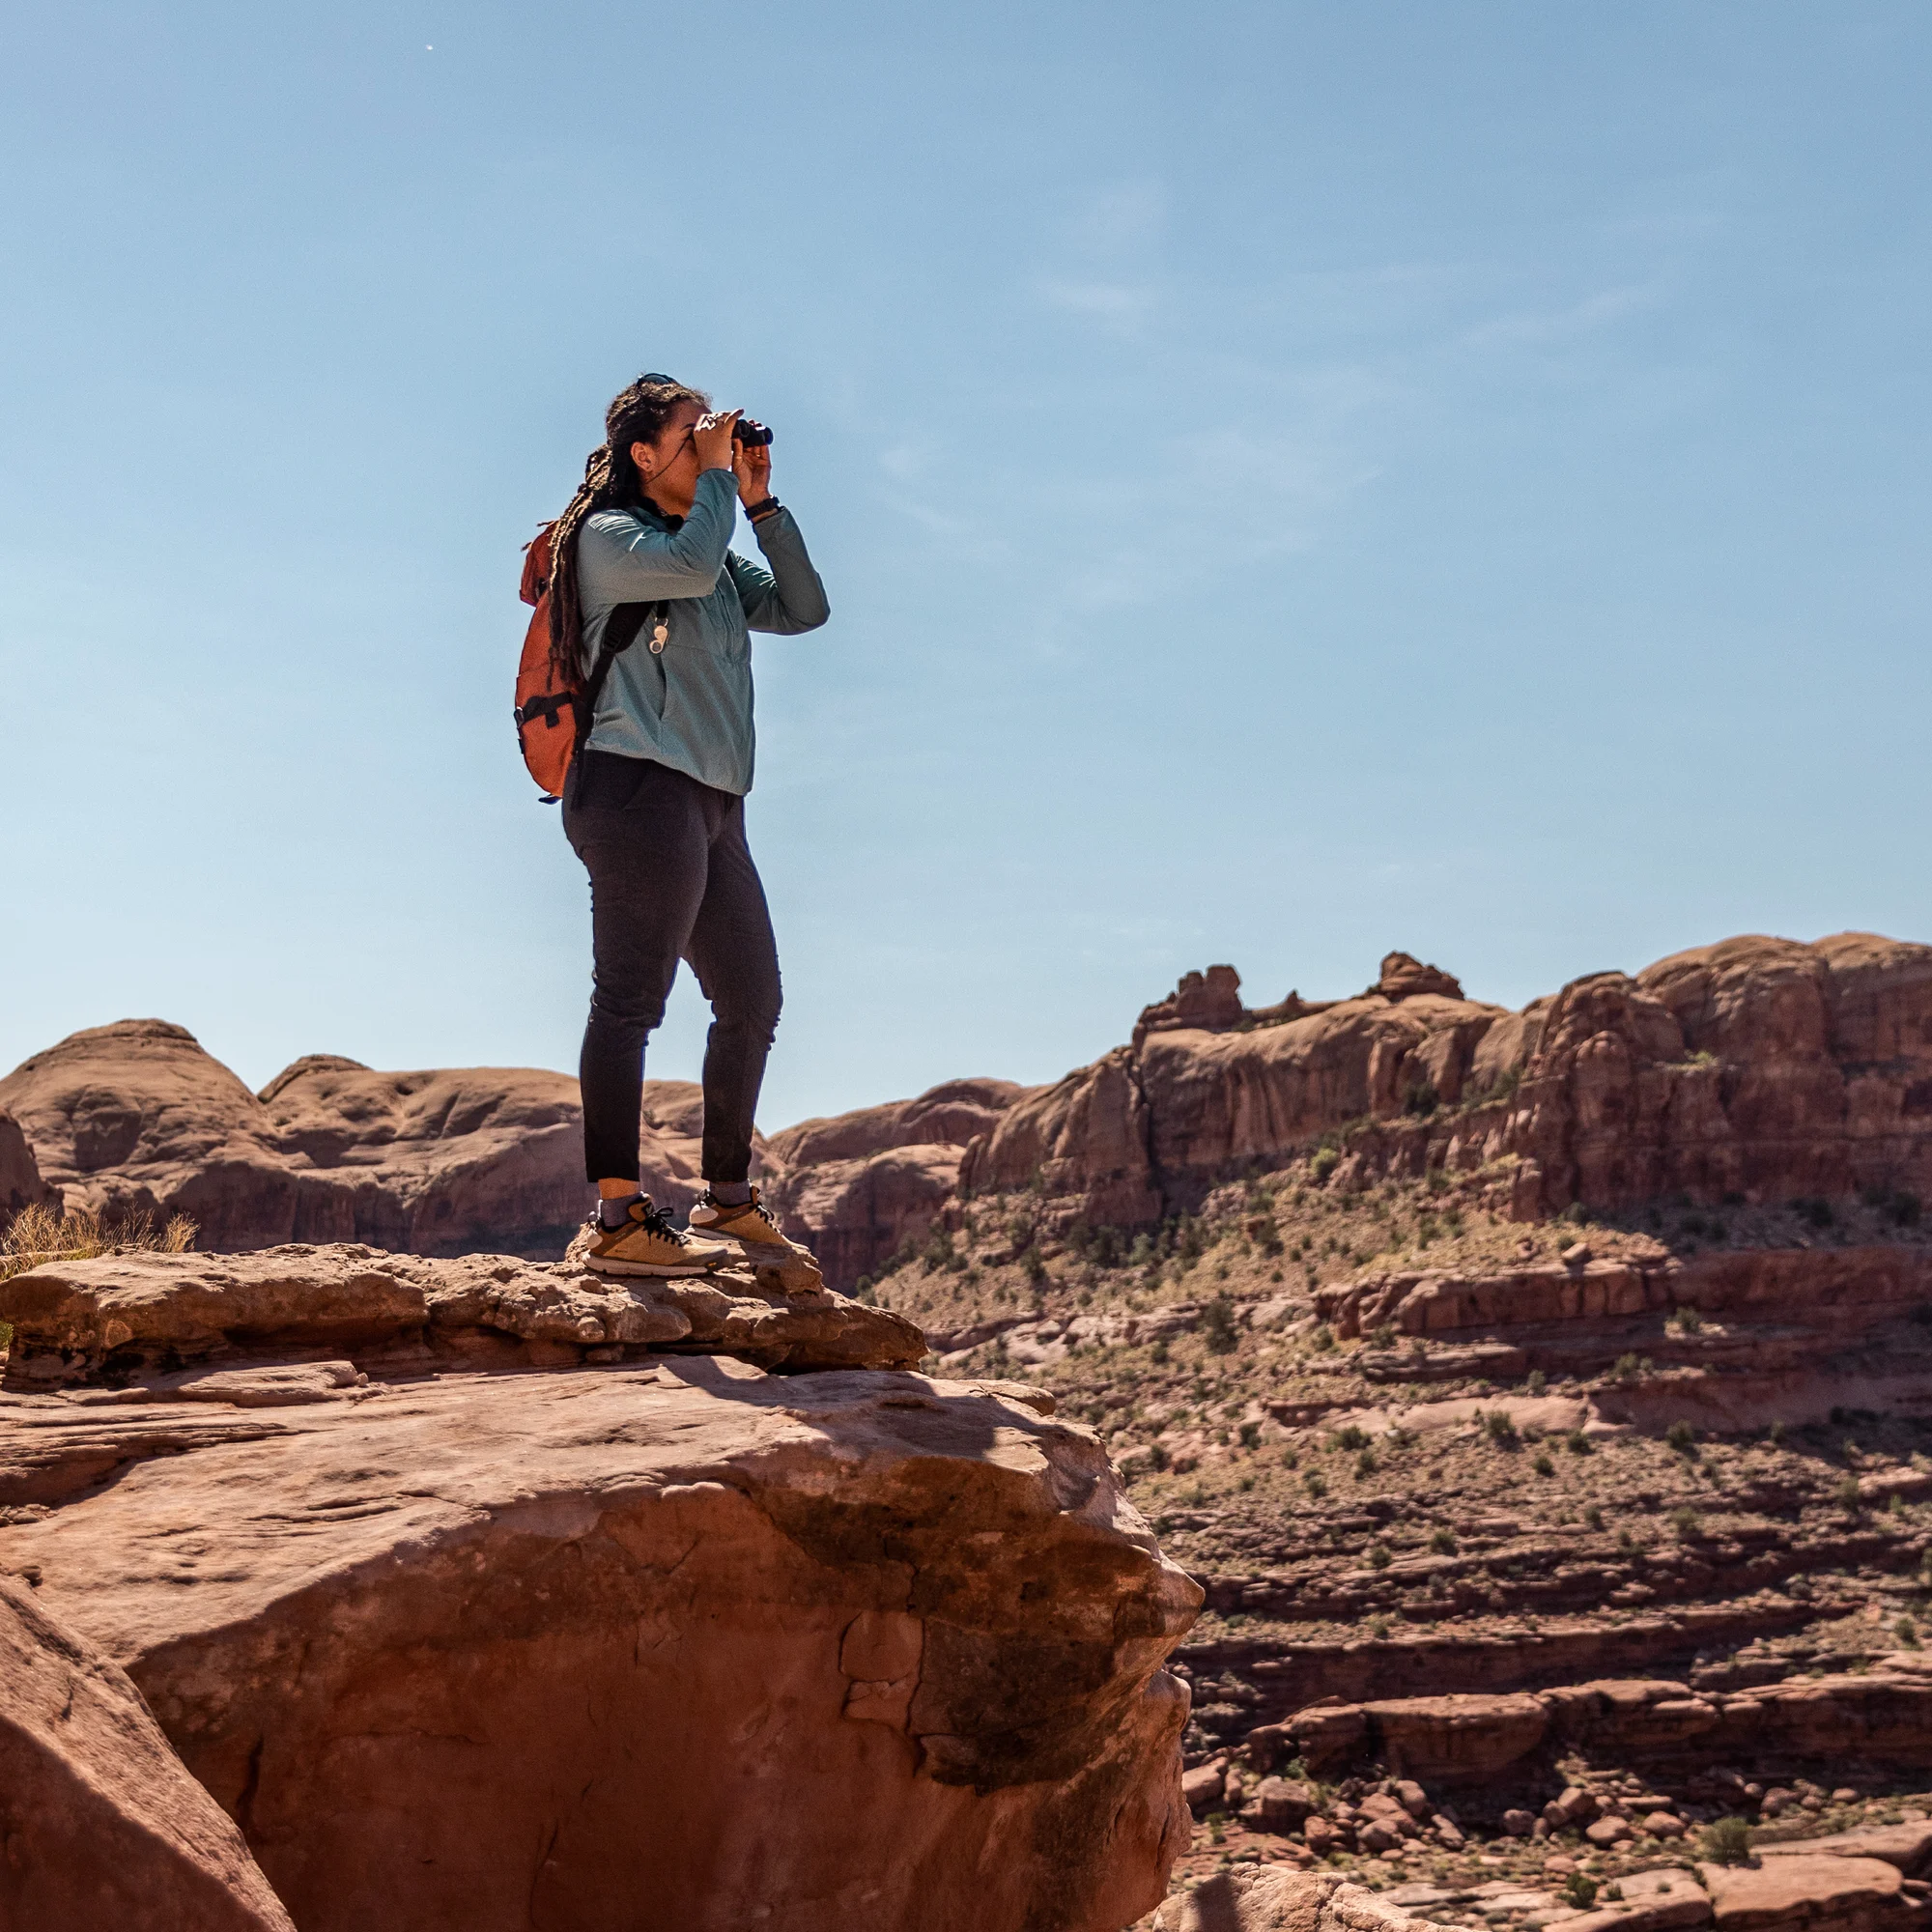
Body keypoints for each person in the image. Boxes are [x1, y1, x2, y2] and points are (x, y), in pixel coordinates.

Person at [543, 373, 829, 1277]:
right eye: (692, 431)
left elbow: (805, 609)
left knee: (752, 1000)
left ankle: (726, 1201)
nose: (711, 439)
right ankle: (616, 1217)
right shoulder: (610, 538)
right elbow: (695, 566)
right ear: (642, 454)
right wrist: (714, 482)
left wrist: (760, 502)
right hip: (635, 787)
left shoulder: (709, 549)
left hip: (713, 801)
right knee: (630, 1000)